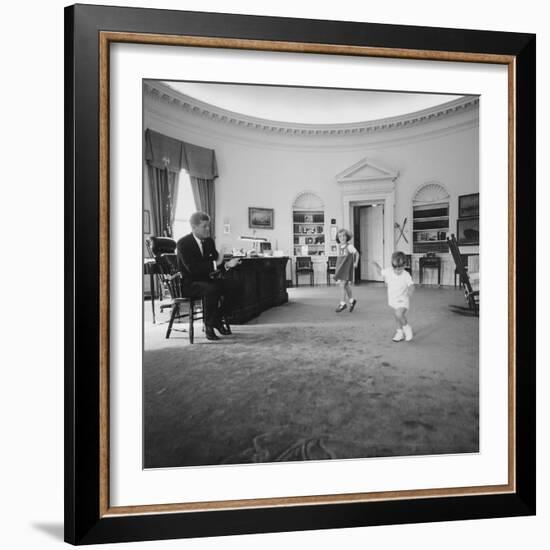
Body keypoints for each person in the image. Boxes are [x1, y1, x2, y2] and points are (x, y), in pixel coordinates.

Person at [176, 211, 241, 341]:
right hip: (190, 284)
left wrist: (228, 264)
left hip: (207, 281)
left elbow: (217, 263)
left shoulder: (209, 242)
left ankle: (215, 320)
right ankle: (209, 325)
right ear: (194, 227)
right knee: (211, 289)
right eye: (204, 226)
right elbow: (192, 268)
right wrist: (217, 263)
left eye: (208, 226)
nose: (207, 229)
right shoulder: (183, 243)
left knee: (235, 286)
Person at [373, 251, 414, 342]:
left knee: (399, 314)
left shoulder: (406, 275)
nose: (397, 271)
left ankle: (407, 328)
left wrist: (410, 291)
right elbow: (380, 272)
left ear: (404, 266)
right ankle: (400, 332)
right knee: (397, 317)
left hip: (403, 299)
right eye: (395, 268)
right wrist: (376, 265)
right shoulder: (388, 271)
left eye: (400, 269)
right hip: (393, 299)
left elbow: (411, 285)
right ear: (392, 265)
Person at [333, 229, 360, 313]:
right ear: (338, 237)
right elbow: (339, 259)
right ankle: (352, 300)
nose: (342, 237)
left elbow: (357, 254)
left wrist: (356, 262)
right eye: (340, 236)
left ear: (347, 237)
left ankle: (342, 303)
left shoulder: (349, 246)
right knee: (346, 286)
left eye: (344, 236)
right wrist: (337, 269)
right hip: (341, 268)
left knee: (342, 285)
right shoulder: (338, 246)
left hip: (347, 269)